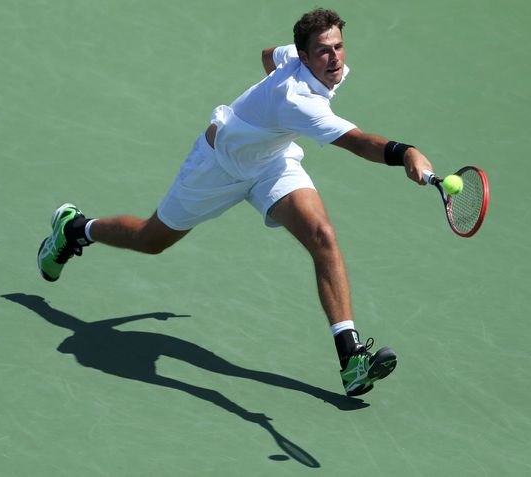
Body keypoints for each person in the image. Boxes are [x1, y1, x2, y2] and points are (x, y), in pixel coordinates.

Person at [38, 8, 433, 397]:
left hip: (271, 164)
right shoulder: (298, 101)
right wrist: (406, 152)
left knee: (321, 234)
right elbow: (358, 142)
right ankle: (75, 228)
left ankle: (351, 361)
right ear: (306, 54)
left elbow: (268, 56)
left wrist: (264, 125)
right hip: (217, 167)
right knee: (151, 238)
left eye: (339, 47)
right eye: (324, 51)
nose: (334, 58)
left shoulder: (300, 60)